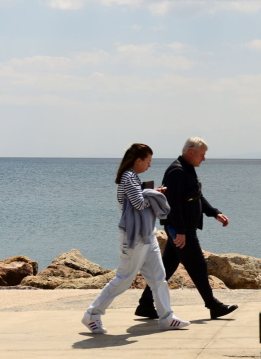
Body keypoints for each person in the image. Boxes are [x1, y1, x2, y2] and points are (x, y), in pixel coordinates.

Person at [82, 143, 190, 334]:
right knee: (123, 279)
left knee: (159, 278)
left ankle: (167, 318)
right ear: (137, 160)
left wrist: (152, 192)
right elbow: (139, 204)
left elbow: (138, 199)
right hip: (134, 238)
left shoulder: (132, 178)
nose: (149, 166)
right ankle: (92, 314)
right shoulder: (128, 177)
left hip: (147, 234)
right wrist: (155, 195)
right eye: (147, 161)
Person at [134, 137, 238, 321]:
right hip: (181, 230)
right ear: (191, 153)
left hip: (183, 229)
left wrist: (214, 213)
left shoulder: (187, 169)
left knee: (166, 267)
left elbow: (196, 196)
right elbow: (172, 204)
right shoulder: (177, 171)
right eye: (202, 155)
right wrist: (180, 231)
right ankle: (213, 306)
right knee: (198, 266)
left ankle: (145, 305)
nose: (203, 159)